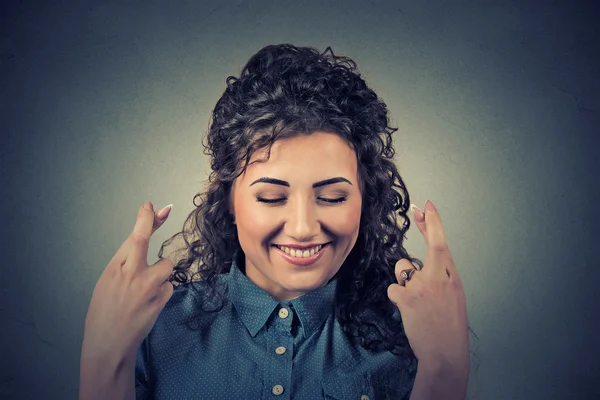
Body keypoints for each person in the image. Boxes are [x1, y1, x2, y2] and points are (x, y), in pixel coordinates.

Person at [80, 44, 471, 400]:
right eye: (271, 197)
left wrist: (444, 371)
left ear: (365, 201)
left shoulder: (413, 335)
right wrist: (104, 358)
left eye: (332, 197)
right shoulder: (155, 329)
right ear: (229, 200)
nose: (302, 227)